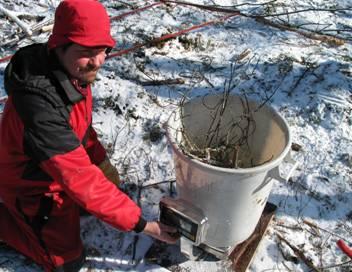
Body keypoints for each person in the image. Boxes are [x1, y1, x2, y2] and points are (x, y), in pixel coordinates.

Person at [0, 0, 177, 271]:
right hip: (31, 186)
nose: (97, 61)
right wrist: (144, 225)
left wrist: (101, 161)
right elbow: (80, 179)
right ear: (59, 45)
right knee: (66, 263)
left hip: (56, 168)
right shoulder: (40, 107)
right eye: (86, 51)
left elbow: (79, 128)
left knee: (95, 200)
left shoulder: (70, 71)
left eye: (102, 50)